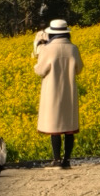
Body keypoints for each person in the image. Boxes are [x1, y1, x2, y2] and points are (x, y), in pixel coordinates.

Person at [33, 18, 83, 169]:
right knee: (69, 128)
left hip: (52, 91)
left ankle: (56, 160)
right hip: (69, 90)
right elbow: (79, 69)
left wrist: (38, 49)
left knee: (54, 127)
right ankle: (67, 161)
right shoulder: (73, 48)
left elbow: (40, 70)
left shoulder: (47, 49)